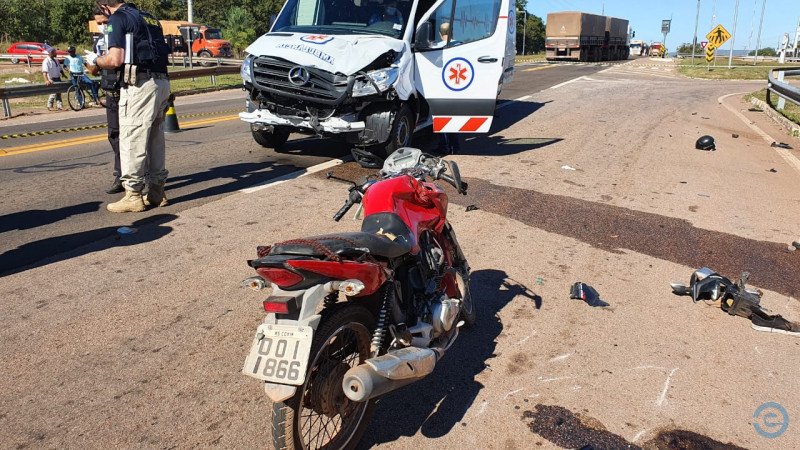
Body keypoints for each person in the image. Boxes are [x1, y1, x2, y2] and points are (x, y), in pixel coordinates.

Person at [91, 0, 172, 213]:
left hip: (139, 85)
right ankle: (156, 191)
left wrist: (97, 62)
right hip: (161, 82)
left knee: (132, 138)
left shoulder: (118, 18)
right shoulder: (147, 16)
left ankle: (133, 195)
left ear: (104, 6)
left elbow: (115, 59)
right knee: (155, 138)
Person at [94, 8, 124, 194]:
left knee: (133, 137)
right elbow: (98, 66)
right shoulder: (99, 42)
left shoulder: (122, 33)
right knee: (114, 135)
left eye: (105, 22)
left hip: (126, 89)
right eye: (99, 24)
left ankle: (142, 177)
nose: (103, 27)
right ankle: (120, 175)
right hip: (110, 90)